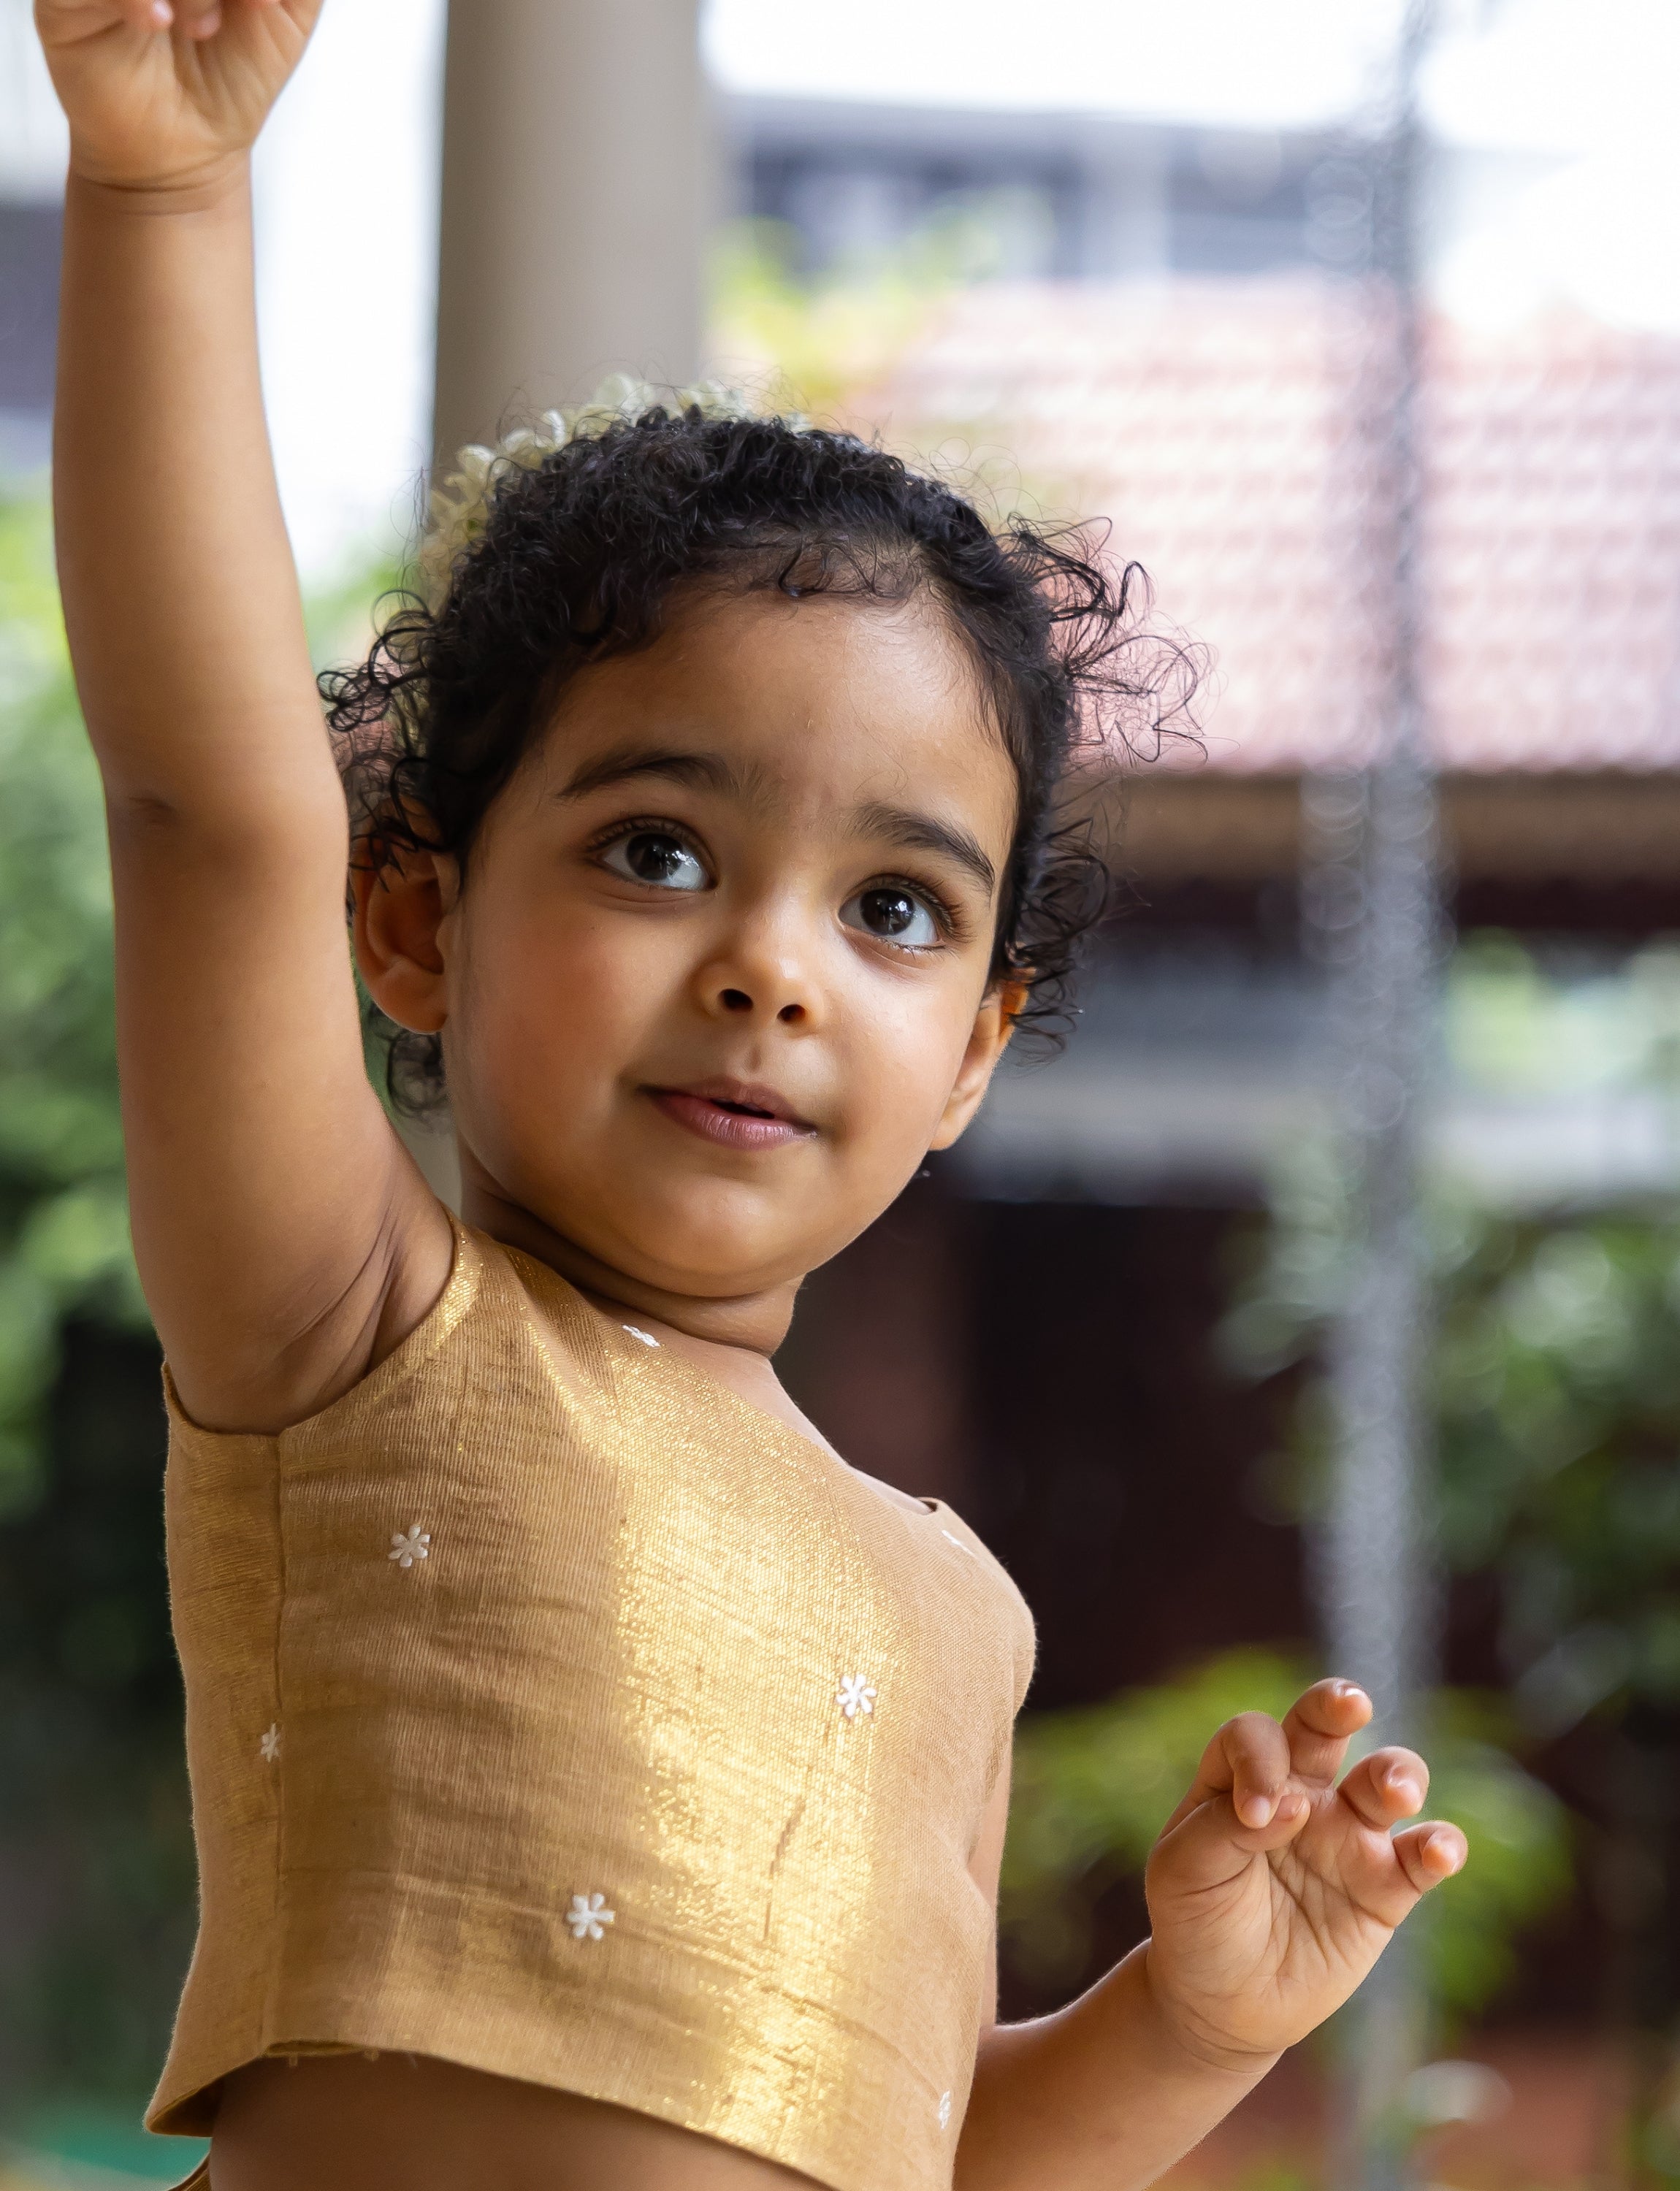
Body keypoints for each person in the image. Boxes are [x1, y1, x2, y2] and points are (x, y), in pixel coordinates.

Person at [36, 2, 1468, 2187]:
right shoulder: (353, 1332)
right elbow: (212, 810)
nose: (767, 968)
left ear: (972, 1050)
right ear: (412, 920)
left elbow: (920, 2149)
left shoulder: (953, 1609)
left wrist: (1185, 2028)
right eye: (656, 850)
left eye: (894, 908)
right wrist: (162, 188)